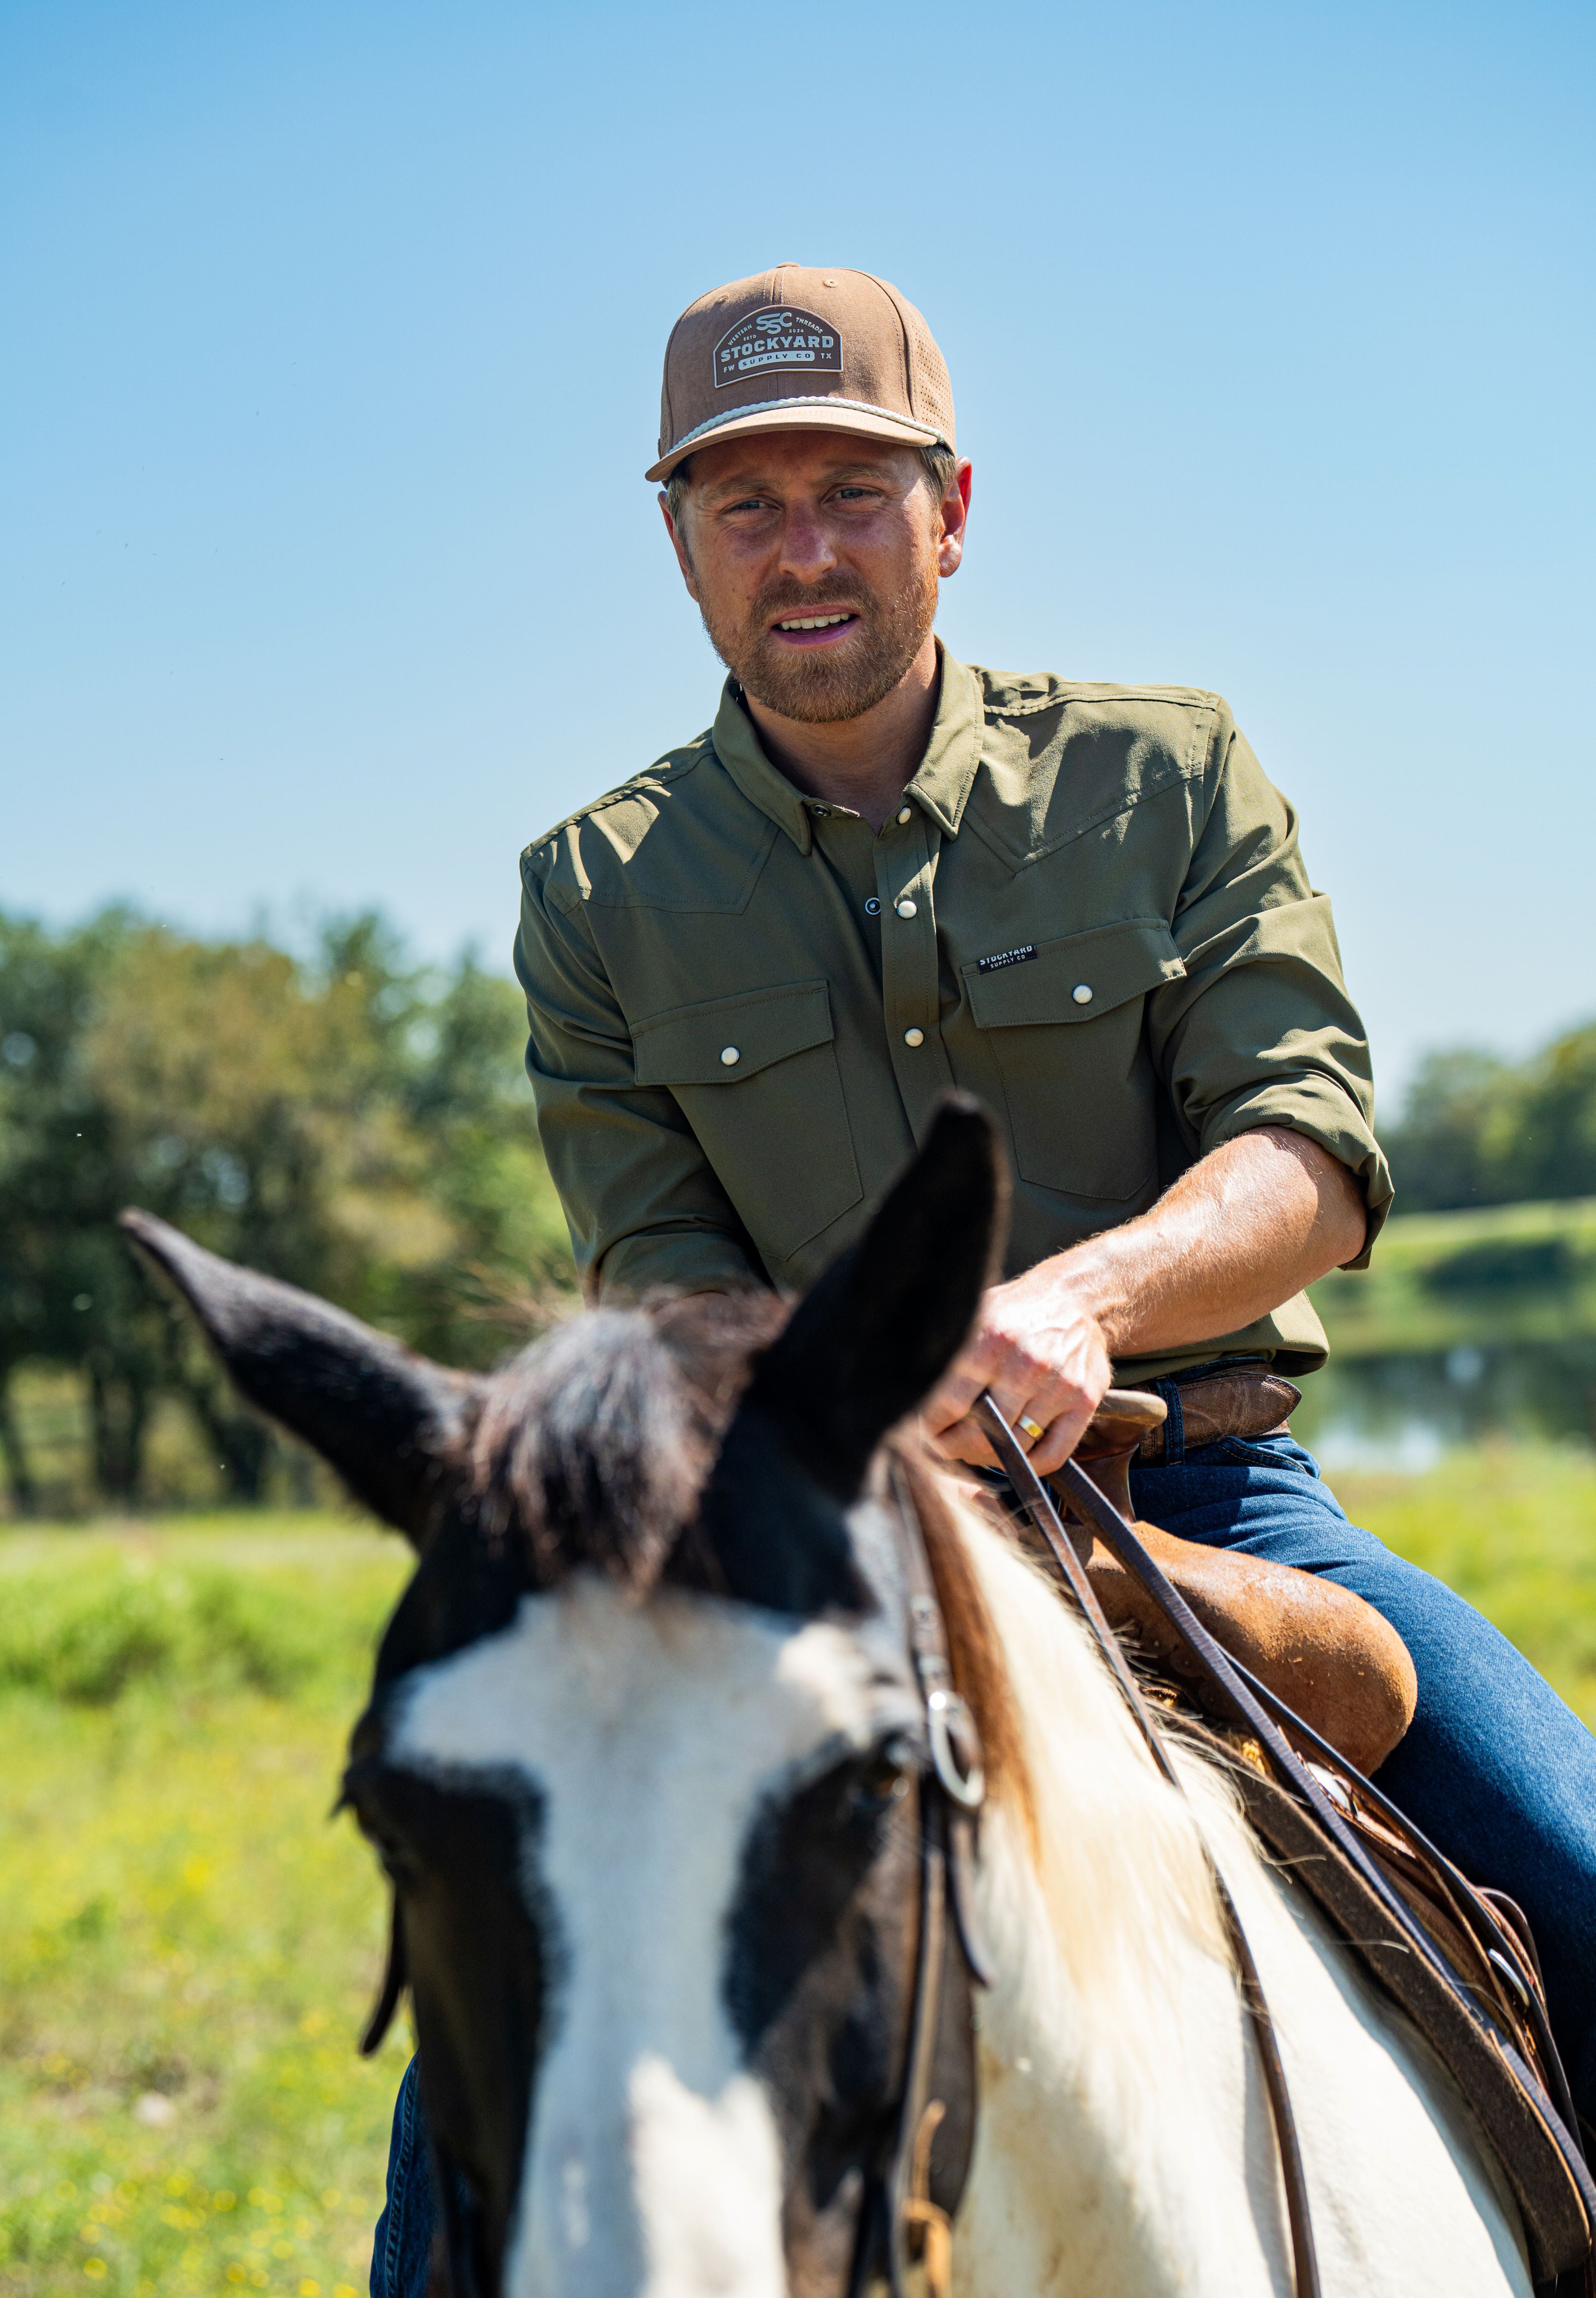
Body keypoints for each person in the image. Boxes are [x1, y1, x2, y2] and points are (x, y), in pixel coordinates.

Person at [369, 265, 1596, 2289]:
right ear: (675, 542)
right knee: (484, 2036)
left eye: (852, 490)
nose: (805, 551)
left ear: (954, 506)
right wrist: (856, 1406)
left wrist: (1085, 1302)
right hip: (821, 1553)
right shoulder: (592, 898)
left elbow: (1310, 1150)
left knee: (1566, 1863)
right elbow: (661, 1291)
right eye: (742, 503)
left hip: (1209, 1499)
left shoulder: (1170, 770)